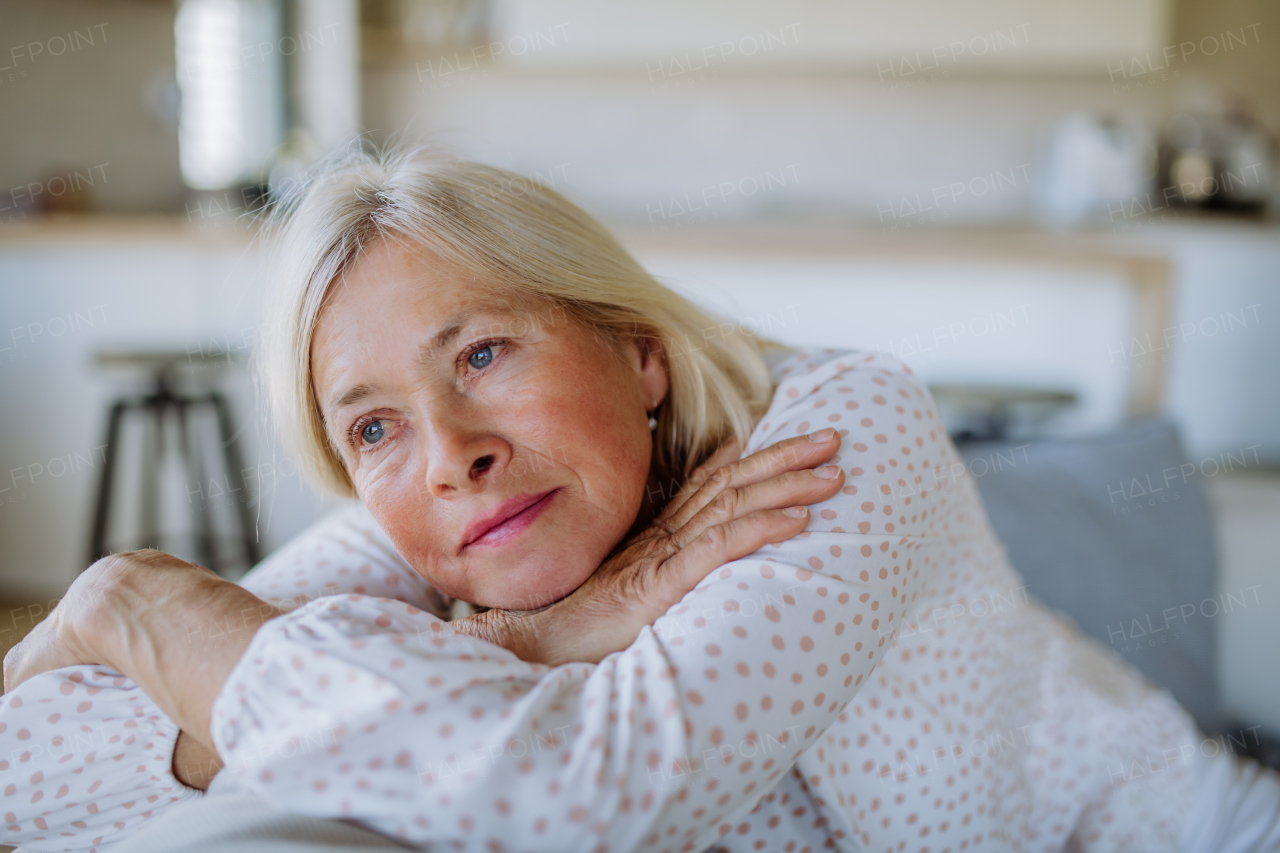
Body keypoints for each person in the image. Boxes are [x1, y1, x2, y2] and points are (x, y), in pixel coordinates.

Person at [4, 149, 1279, 853]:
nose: (449, 451)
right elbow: (24, 777)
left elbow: (589, 798)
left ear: (637, 351)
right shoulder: (435, 522)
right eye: (374, 425)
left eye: (484, 354)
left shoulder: (839, 432)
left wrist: (149, 611)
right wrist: (526, 636)